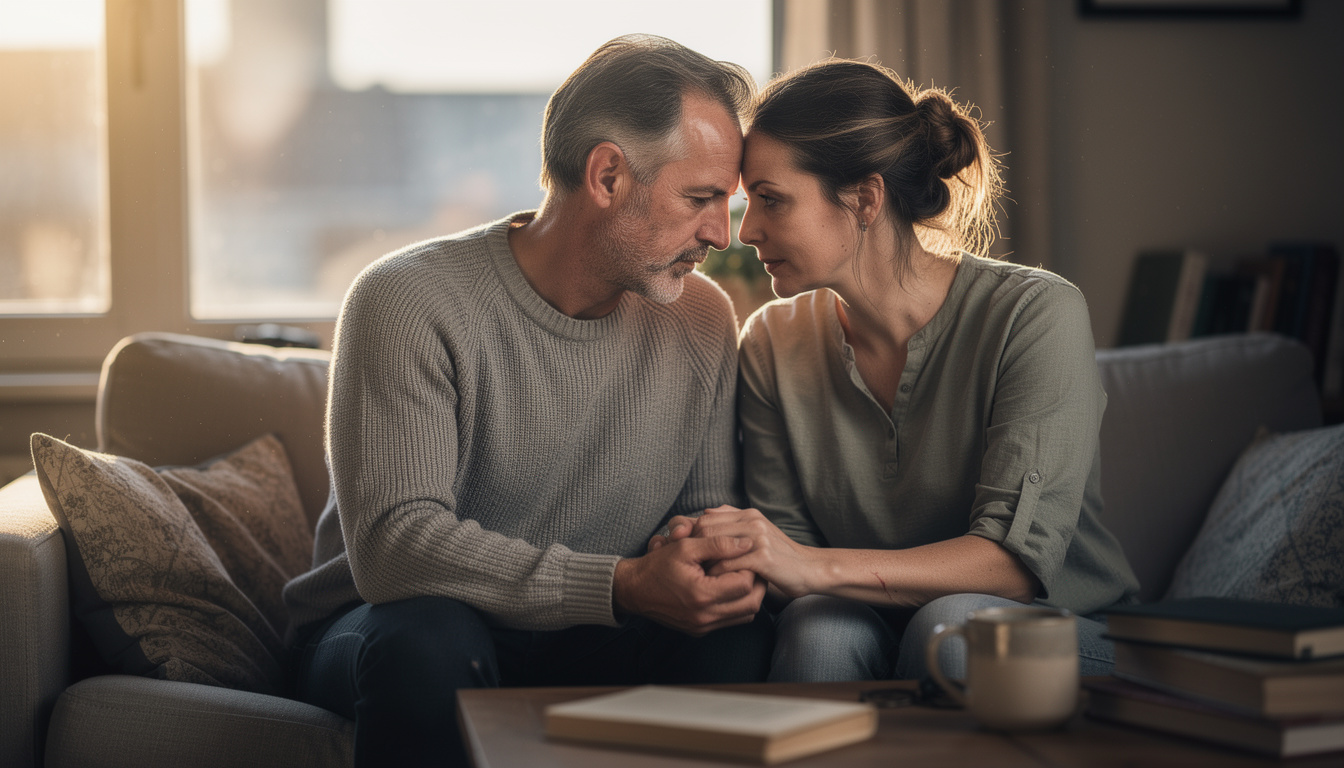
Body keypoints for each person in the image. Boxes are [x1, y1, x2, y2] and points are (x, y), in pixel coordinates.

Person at [282, 35, 773, 767]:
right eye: (700, 199)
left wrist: (707, 570)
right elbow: (394, 550)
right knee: (430, 639)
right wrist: (621, 585)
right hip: (390, 627)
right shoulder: (407, 300)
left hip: (595, 632)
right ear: (607, 174)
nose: (718, 233)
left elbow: (701, 516)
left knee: (737, 631)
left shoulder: (702, 317)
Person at [654, 59, 1140, 683]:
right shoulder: (772, 341)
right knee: (817, 632)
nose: (746, 231)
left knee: (955, 633)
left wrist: (812, 567)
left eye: (772, 201)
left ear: (864, 198)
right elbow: (790, 565)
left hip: (1056, 627)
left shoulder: (1035, 313)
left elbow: (1013, 566)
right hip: (865, 619)